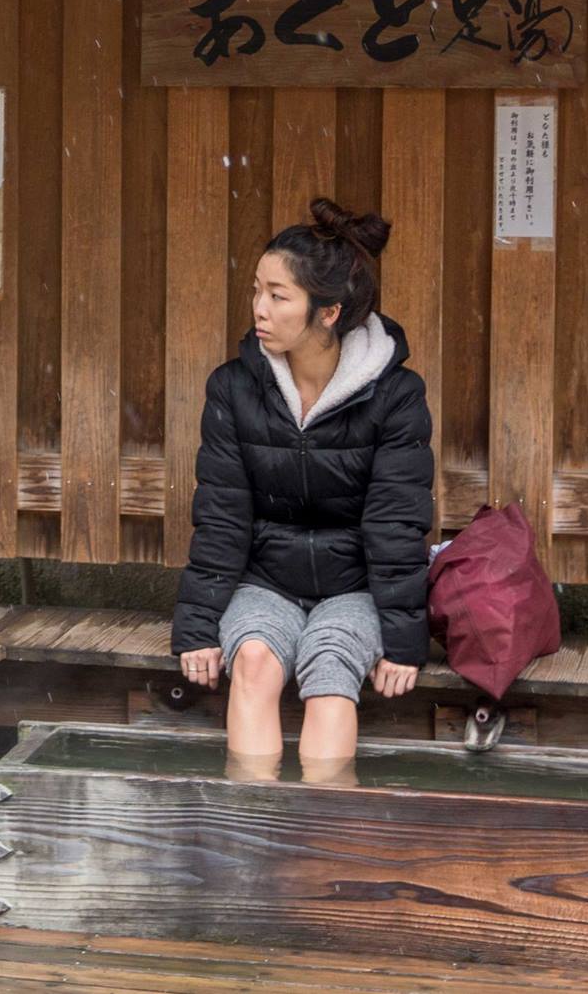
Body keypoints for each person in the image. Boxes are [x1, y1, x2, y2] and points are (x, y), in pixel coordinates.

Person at [172, 198, 434, 784]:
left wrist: (404, 643)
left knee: (332, 668)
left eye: (278, 295)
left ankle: (321, 837)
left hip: (354, 587)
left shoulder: (395, 395)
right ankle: (251, 830)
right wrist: (196, 629)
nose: (258, 309)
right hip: (267, 582)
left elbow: (396, 520)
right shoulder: (234, 388)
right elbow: (222, 514)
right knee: (256, 662)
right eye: (258, 290)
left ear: (328, 312)